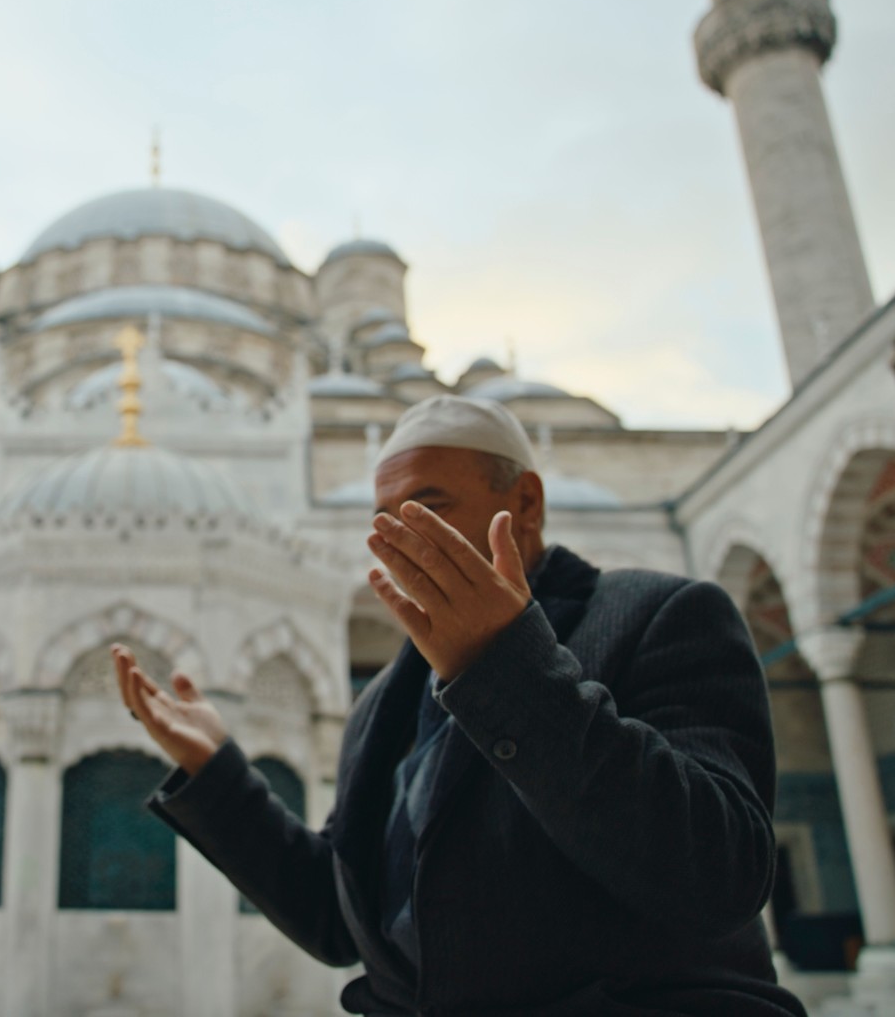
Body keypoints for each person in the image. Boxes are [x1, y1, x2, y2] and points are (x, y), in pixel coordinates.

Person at [114, 395, 806, 1016]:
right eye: (383, 520)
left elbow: (719, 873)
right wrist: (218, 778)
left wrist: (503, 669)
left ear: (527, 504)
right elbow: (338, 921)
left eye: (429, 508)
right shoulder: (386, 700)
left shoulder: (658, 617)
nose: (398, 540)